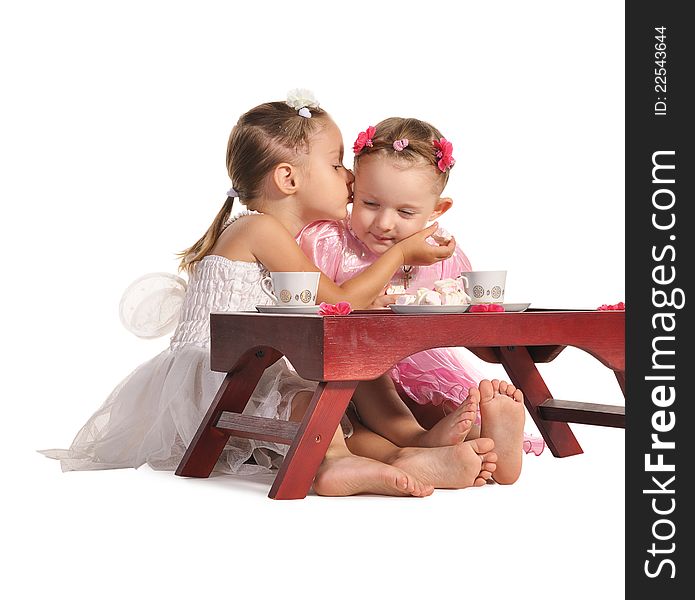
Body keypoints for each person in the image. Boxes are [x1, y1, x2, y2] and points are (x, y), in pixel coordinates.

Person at [40, 92, 499, 497]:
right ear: (289, 179)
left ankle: (410, 453)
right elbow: (335, 299)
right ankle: (339, 463)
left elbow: (327, 305)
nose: (349, 179)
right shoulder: (260, 228)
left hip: (253, 359)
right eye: (337, 164)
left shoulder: (282, 234)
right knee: (309, 398)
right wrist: (399, 254)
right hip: (222, 369)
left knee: (345, 389)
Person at [297, 117, 545, 485]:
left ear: (437, 211)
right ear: (352, 190)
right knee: (369, 386)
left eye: (405, 212)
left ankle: (486, 444)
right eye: (369, 203)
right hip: (351, 369)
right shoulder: (328, 243)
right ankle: (424, 446)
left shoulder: (440, 252)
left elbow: (459, 308)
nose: (383, 223)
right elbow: (302, 304)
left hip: (417, 365)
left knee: (440, 409)